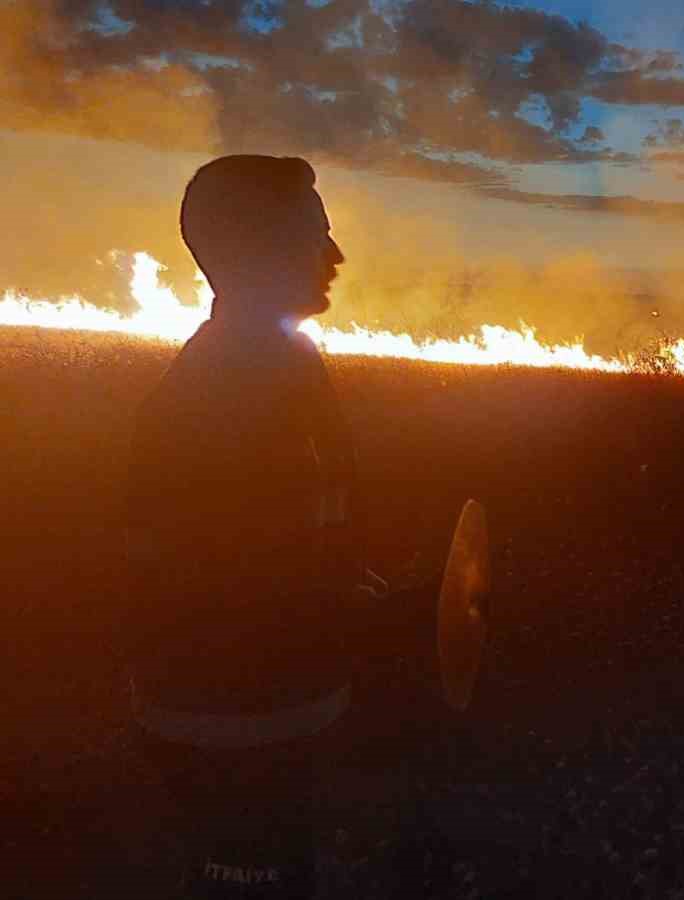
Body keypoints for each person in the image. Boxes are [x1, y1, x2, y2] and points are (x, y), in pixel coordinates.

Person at [123, 154, 397, 897]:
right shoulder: (222, 393)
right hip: (232, 723)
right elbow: (220, 581)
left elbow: (293, 532)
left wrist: (350, 585)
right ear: (257, 252)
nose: (335, 256)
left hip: (276, 711)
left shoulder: (283, 366)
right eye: (316, 235)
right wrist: (356, 612)